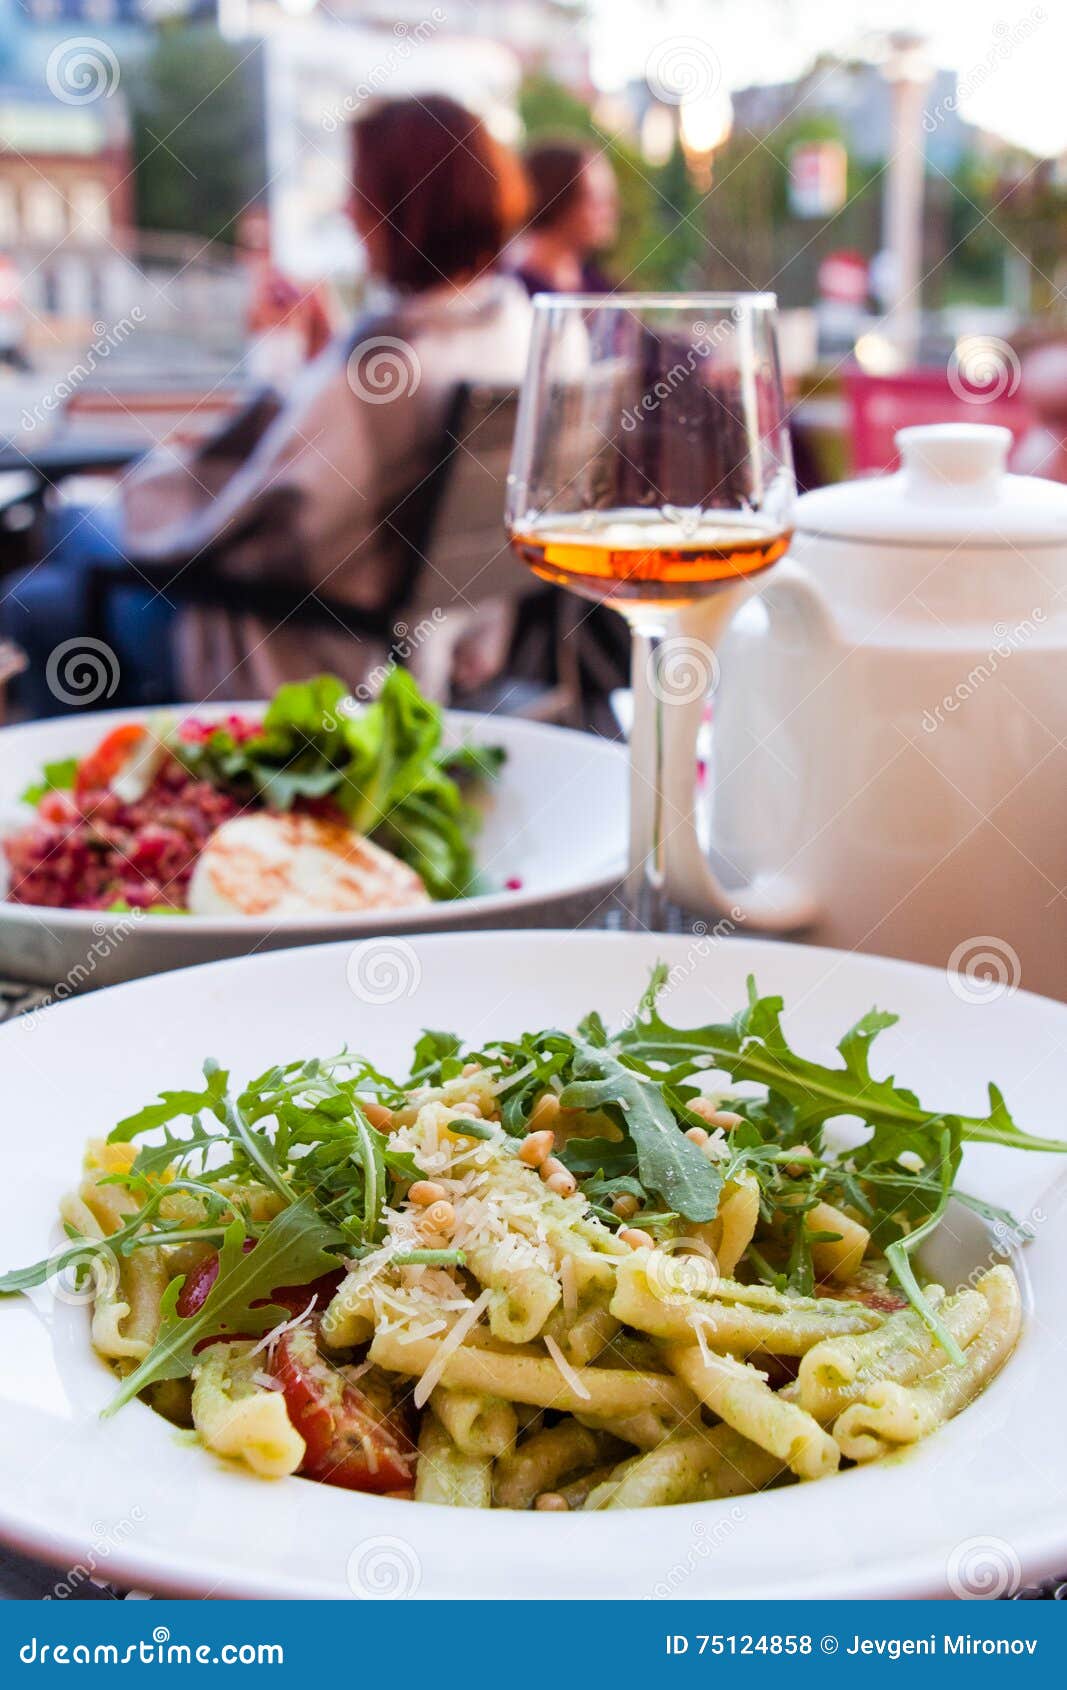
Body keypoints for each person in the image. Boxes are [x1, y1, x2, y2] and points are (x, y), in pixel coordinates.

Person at [4, 96, 532, 711]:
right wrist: (325, 368)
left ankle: (116, 793)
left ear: (401, 208)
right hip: (439, 636)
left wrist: (172, 486)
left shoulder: (383, 370)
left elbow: (254, 528)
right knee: (79, 538)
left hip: (310, 660)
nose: (349, 210)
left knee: (41, 581)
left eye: (361, 192)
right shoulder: (509, 326)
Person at [510, 140, 619, 297]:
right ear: (557, 202)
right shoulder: (511, 293)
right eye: (596, 200)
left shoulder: (600, 288)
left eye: (610, 199)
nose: (609, 212)